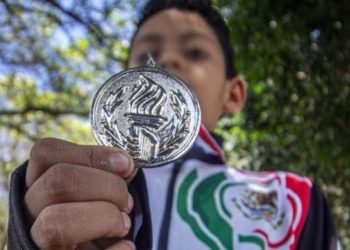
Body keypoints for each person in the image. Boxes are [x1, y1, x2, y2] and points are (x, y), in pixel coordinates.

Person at [8, 0, 341, 249]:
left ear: (234, 94)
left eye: (195, 52)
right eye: (145, 56)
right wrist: (26, 235)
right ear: (123, 81)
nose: (165, 61)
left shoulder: (291, 201)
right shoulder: (66, 195)